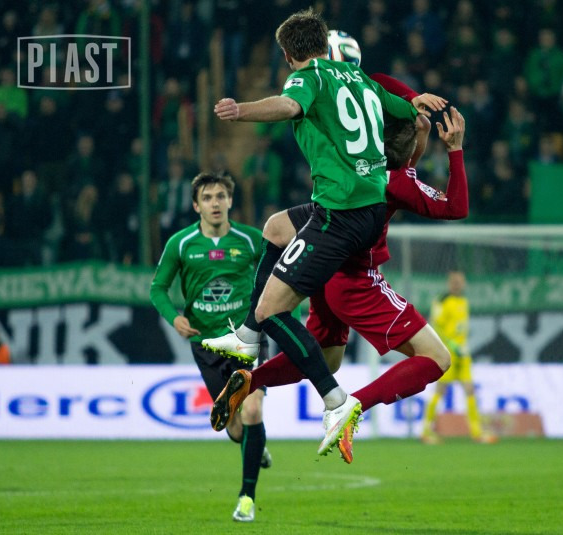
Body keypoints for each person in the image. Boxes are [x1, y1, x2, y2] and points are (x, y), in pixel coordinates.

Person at [202, 8, 435, 457]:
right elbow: (413, 118)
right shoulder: (361, 79)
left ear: (288, 55)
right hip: (365, 206)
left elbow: (289, 105)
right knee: (276, 228)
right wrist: (416, 116)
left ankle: (335, 400)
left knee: (271, 310)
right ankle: (247, 339)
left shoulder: (309, 77)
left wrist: (240, 111)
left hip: (340, 212)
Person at [211, 102, 467, 463]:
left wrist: (414, 117)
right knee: (437, 358)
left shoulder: (350, 164)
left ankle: (252, 379)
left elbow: (412, 142)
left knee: (326, 360)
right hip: (356, 282)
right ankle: (352, 406)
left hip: (321, 265)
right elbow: (455, 206)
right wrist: (455, 150)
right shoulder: (396, 182)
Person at [149, 173, 271, 522]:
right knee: (234, 426)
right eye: (207, 197)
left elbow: (280, 276)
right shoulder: (181, 243)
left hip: (247, 337)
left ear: (230, 201)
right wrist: (174, 318)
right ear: (195, 205)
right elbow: (158, 289)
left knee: (252, 410)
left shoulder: (251, 240)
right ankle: (255, 445)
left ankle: (247, 498)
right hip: (206, 345)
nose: (215, 203)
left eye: (220, 196)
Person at [421, 271, 497, 444]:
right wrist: (450, 344)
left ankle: (477, 433)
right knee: (440, 390)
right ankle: (426, 431)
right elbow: (435, 325)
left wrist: (461, 346)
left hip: (463, 353)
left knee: (470, 389)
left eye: (460, 282)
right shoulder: (442, 301)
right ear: (449, 283)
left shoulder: (464, 301)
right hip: (447, 352)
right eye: (455, 282)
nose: (458, 285)